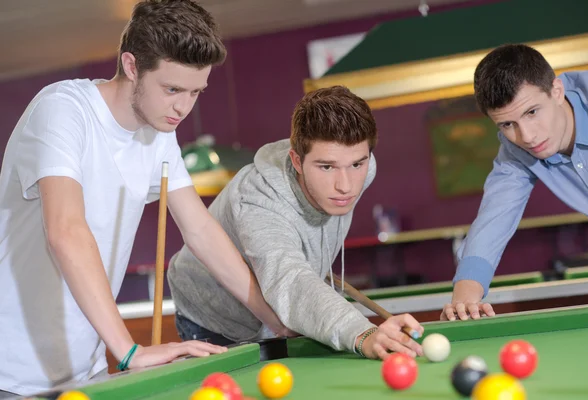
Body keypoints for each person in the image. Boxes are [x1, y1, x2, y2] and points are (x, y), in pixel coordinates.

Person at [0, 1, 290, 397]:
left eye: (195, 92)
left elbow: (201, 230)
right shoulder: (64, 110)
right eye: (172, 89)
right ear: (132, 66)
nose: (183, 108)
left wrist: (278, 321)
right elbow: (65, 230)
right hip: (9, 371)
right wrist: (128, 349)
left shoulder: (159, 134)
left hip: (83, 374)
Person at [168, 85, 425, 361]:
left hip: (284, 308)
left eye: (357, 164)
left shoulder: (364, 168)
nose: (345, 186)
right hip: (215, 319)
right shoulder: (259, 197)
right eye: (326, 167)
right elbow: (289, 279)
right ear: (297, 161)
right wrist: (361, 332)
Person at [443, 43, 588, 321]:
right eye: (506, 124)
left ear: (557, 90)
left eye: (531, 112)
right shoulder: (516, 150)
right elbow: (495, 216)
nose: (526, 136)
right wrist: (465, 296)